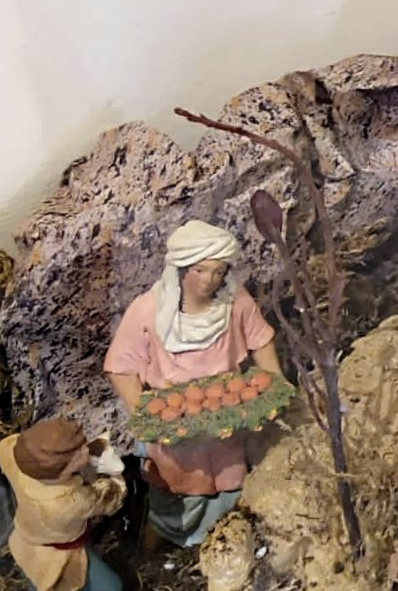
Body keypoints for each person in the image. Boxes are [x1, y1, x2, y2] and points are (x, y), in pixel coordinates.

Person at [103, 220, 280, 549]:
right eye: (201, 270)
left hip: (226, 420)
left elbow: (261, 340)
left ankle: (225, 540)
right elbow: (120, 366)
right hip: (177, 431)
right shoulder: (148, 311)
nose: (210, 280)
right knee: (173, 495)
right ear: (181, 269)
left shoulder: (235, 302)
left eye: (218, 271)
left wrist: (271, 386)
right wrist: (146, 412)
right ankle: (154, 551)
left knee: (229, 486)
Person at [0, 418, 126, 591]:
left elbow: (7, 445)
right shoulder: (70, 501)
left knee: (38, 574)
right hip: (60, 556)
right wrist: (113, 473)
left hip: (27, 538)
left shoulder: (14, 455)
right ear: (63, 468)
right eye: (80, 453)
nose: (86, 450)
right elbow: (111, 501)